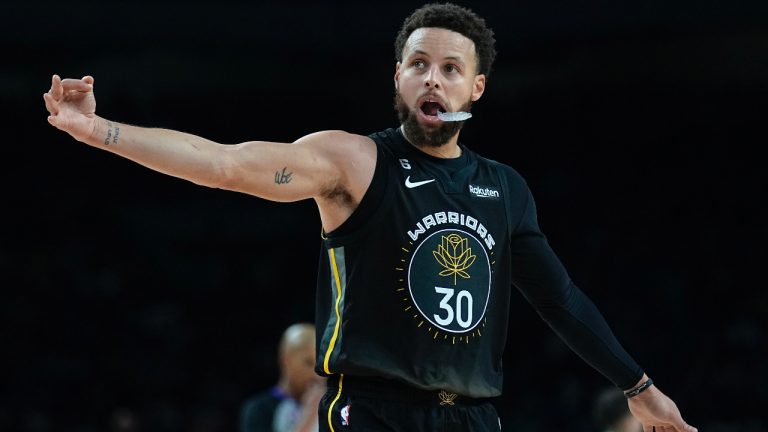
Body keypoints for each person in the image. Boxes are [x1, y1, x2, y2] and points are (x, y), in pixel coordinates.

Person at [43, 3, 697, 431]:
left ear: (476, 87)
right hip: (374, 412)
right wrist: (99, 130)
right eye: (419, 65)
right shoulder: (353, 161)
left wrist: (637, 385)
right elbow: (223, 164)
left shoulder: (506, 190)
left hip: (474, 418)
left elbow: (559, 300)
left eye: (449, 69)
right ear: (398, 77)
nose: (432, 80)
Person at [239, 323, 325, 432]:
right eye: (308, 363)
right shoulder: (259, 410)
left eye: (319, 365)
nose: (315, 374)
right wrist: (309, 416)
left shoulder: (330, 408)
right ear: (286, 361)